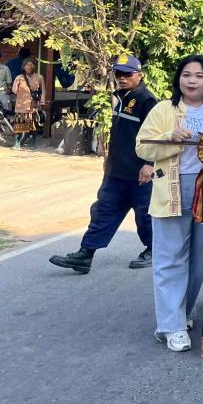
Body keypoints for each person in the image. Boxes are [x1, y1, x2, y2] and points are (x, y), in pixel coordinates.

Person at [136, 54, 203, 353]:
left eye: (199, 75)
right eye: (186, 74)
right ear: (178, 78)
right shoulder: (163, 110)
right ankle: (171, 326)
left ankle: (181, 313)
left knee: (200, 259)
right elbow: (142, 146)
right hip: (171, 190)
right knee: (170, 257)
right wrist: (170, 136)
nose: (192, 80)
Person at [49, 54, 157, 273]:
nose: (122, 78)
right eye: (118, 73)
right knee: (103, 212)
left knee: (145, 216)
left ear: (139, 75)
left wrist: (149, 164)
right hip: (116, 172)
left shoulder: (147, 100)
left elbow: (154, 136)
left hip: (139, 174)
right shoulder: (119, 97)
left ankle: (153, 249)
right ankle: (85, 255)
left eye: (127, 74)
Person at [11, 57, 45, 149]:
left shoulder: (39, 77)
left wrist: (42, 103)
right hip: (21, 104)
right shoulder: (19, 78)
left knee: (33, 126)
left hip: (33, 105)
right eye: (27, 65)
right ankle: (17, 143)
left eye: (31, 64)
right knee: (19, 125)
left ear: (34, 66)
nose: (29, 66)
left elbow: (43, 91)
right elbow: (14, 90)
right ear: (23, 67)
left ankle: (32, 144)